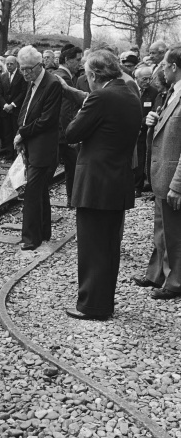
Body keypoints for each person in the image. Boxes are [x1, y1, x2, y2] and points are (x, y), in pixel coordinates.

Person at [65, 49, 142, 320]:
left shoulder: (100, 97)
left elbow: (73, 132)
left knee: (92, 247)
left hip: (95, 184)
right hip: (117, 181)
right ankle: (103, 303)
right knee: (109, 247)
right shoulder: (131, 94)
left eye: (87, 76)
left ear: (95, 75)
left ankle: (91, 306)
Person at [135, 45, 181, 300]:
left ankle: (175, 282)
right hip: (162, 174)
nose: (161, 69)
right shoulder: (171, 93)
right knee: (162, 229)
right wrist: (153, 121)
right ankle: (156, 274)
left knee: (175, 233)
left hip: (172, 176)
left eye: (164, 65)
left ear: (174, 66)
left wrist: (178, 184)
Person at [14, 45, 62, 251]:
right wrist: (21, 133)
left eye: (28, 69)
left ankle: (31, 238)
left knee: (32, 192)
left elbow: (47, 120)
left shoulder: (52, 84)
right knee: (40, 190)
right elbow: (27, 111)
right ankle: (43, 232)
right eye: (22, 69)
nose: (24, 73)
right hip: (33, 145)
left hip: (44, 147)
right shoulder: (32, 82)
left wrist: (23, 133)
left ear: (40, 65)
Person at [53, 45, 83, 207]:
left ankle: (72, 199)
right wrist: (70, 133)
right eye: (77, 60)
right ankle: (72, 199)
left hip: (57, 132)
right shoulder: (65, 77)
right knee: (72, 167)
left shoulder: (57, 75)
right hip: (63, 134)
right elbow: (65, 110)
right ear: (66, 60)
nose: (80, 63)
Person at [0, 55, 27, 160]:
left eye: (11, 64)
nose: (9, 66)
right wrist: (5, 105)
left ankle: (17, 154)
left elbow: (23, 92)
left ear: (16, 64)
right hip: (5, 110)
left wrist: (12, 104)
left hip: (16, 109)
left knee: (16, 131)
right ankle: (9, 154)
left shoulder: (22, 75)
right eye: (7, 64)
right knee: (7, 133)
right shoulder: (3, 76)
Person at [133, 66, 158, 196]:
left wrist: (140, 124)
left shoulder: (154, 92)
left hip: (143, 130)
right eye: (144, 79)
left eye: (150, 78)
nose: (147, 81)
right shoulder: (129, 88)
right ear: (136, 78)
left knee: (141, 157)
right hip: (128, 128)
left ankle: (138, 186)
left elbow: (154, 110)